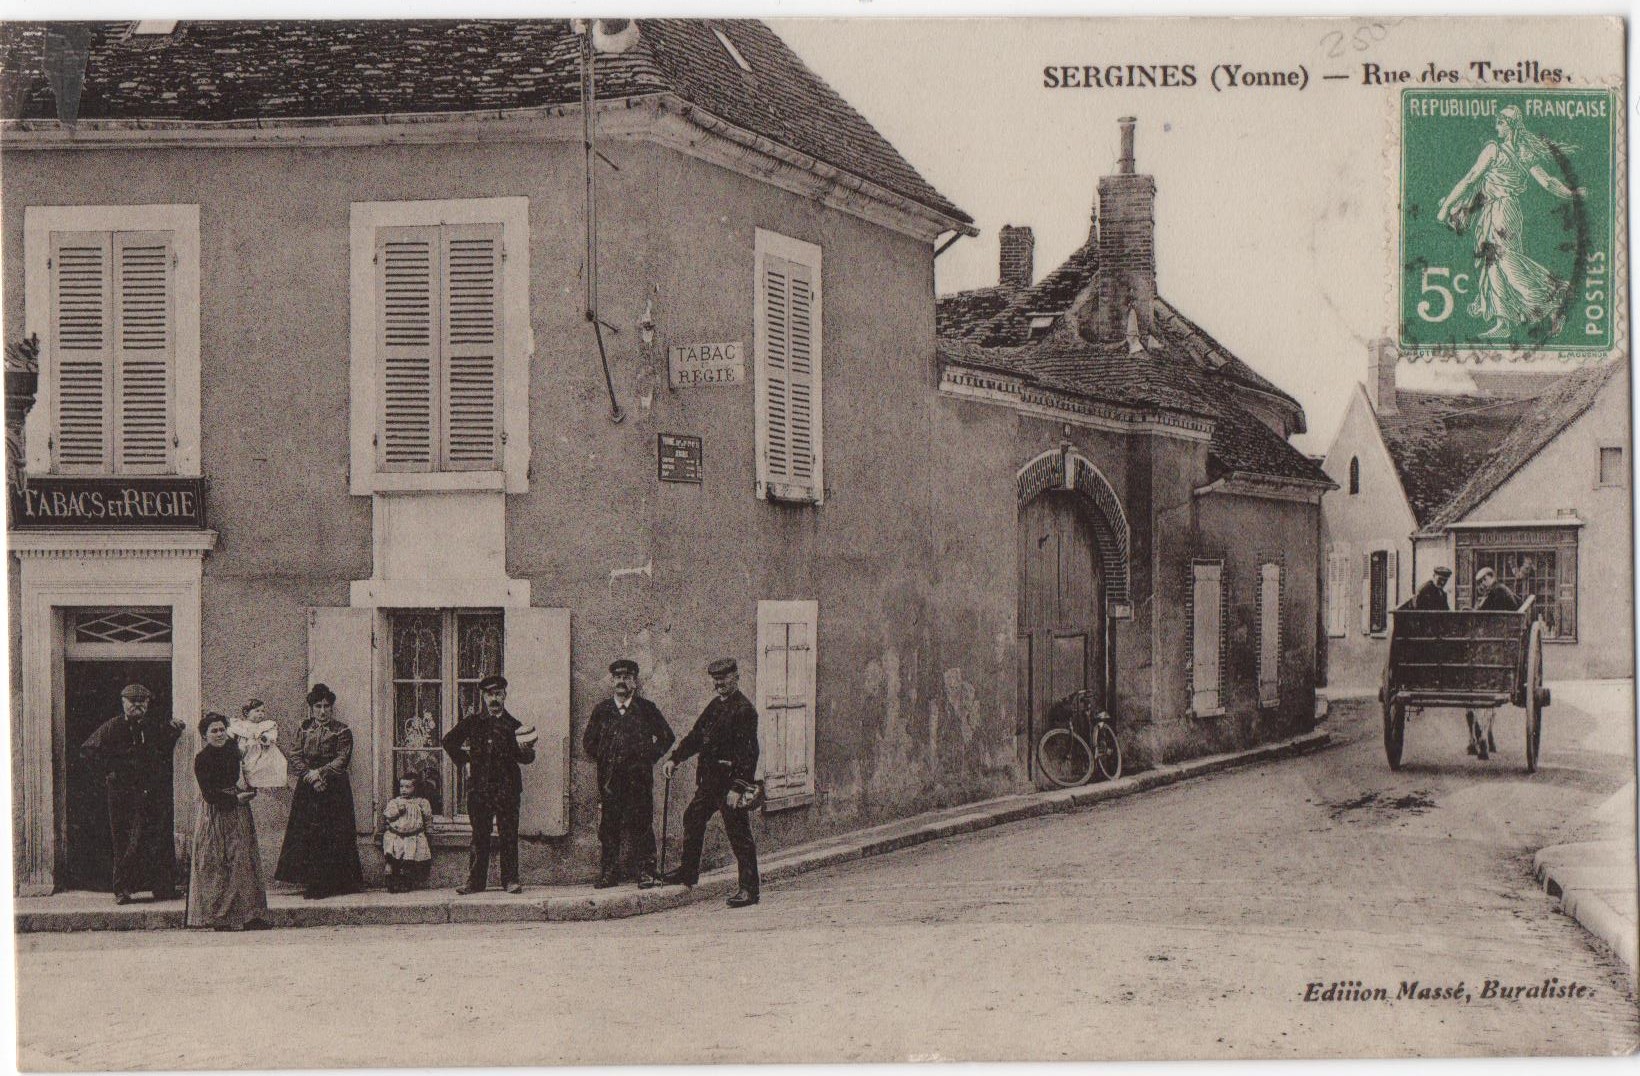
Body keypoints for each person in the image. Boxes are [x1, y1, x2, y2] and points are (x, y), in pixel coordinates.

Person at [1437, 105, 1582, 339]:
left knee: (1504, 261)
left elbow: (1471, 178)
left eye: (1499, 123)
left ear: (1509, 125)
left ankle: (1554, 294)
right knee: (1492, 264)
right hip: (1505, 211)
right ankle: (1503, 321)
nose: (1496, 127)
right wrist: (1572, 193)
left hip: (1500, 211)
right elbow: (1547, 182)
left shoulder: (1493, 150)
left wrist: (1445, 207)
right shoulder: (1524, 153)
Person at [652, 658, 761, 909]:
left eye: (724, 678)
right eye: (715, 679)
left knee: (739, 833)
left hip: (730, 783)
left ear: (736, 677)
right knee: (693, 817)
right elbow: (695, 737)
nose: (719, 683)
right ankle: (688, 873)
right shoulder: (714, 706)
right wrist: (675, 759)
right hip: (710, 782)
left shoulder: (744, 710)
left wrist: (738, 787)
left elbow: (749, 753)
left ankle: (749, 889)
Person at [81, 682, 185, 904]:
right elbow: (88, 750)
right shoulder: (111, 727)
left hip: (151, 792)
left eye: (142, 701)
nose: (137, 705)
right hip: (122, 794)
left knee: (157, 837)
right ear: (123, 703)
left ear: (148, 704)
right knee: (125, 839)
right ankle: (122, 890)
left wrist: (175, 730)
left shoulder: (153, 726)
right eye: (132, 701)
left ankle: (163, 888)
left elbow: (164, 745)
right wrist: (108, 773)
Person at [583, 659, 675, 888]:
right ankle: (609, 872)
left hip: (639, 780)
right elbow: (588, 743)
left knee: (642, 824)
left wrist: (648, 758)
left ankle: (646, 871)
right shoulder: (602, 710)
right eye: (617, 677)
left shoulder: (646, 709)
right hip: (610, 782)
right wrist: (607, 760)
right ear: (612, 681)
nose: (621, 682)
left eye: (626, 677)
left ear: (634, 681)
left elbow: (667, 737)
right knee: (609, 827)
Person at [443, 675, 537, 895]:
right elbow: (448, 741)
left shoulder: (515, 726)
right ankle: (475, 883)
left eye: (498, 694)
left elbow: (525, 759)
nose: (494, 699)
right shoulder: (473, 722)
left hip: (508, 789)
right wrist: (464, 762)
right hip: (480, 789)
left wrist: (527, 750)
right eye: (489, 694)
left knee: (509, 835)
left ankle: (510, 880)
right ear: (483, 697)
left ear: (505, 695)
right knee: (479, 836)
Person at [274, 684, 364, 899]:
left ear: (332, 708)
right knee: (309, 832)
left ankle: (336, 882)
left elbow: (343, 758)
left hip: (334, 788)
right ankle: (313, 881)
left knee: (333, 832)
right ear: (311, 708)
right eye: (318, 706)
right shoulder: (304, 728)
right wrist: (309, 776)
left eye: (326, 706)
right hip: (308, 788)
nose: (322, 711)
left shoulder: (342, 730)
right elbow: (294, 754)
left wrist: (320, 773)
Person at [187, 712, 270, 931]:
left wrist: (251, 787)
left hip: (238, 813)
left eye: (222, 729)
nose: (219, 734)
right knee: (216, 863)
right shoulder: (202, 759)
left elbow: (247, 772)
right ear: (205, 736)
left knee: (243, 860)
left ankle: (250, 915)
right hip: (215, 813)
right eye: (213, 731)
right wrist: (234, 798)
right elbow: (209, 794)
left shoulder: (234, 751)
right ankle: (220, 917)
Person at [381, 775, 434, 894]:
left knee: (408, 862)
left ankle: (405, 883)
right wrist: (398, 811)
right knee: (393, 860)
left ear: (415, 788)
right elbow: (388, 815)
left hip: (413, 837)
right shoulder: (395, 802)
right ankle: (391, 883)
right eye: (401, 786)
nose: (404, 789)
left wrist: (429, 831)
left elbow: (428, 819)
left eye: (408, 787)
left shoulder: (421, 803)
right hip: (396, 836)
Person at [227, 698, 288, 790]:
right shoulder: (240, 725)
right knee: (247, 766)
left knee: (273, 764)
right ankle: (249, 783)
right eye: (257, 711)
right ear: (246, 713)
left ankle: (267, 784)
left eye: (262, 711)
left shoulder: (266, 725)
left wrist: (264, 738)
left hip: (263, 751)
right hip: (246, 750)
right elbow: (232, 733)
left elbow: (271, 736)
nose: (261, 713)